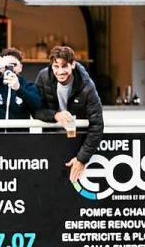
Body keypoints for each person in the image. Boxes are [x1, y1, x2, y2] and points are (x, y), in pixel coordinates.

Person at [34, 46, 104, 182]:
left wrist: (82, 159)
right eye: (56, 66)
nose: (60, 72)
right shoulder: (43, 77)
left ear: (73, 65)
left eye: (64, 66)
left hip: (77, 143)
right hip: (51, 140)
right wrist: (55, 115)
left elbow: (97, 124)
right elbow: (36, 110)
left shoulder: (87, 85)